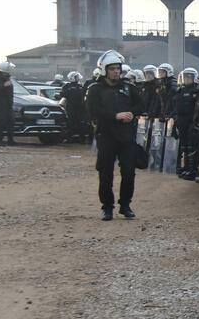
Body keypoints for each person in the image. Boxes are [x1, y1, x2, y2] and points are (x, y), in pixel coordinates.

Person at [85, 50, 144, 220]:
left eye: (118, 68)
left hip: (126, 137)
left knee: (128, 172)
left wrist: (131, 113)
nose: (116, 71)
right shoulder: (95, 89)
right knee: (105, 174)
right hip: (106, 136)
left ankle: (125, 205)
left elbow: (141, 105)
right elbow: (92, 110)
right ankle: (107, 208)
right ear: (104, 70)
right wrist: (114, 116)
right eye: (112, 69)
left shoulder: (129, 87)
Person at [173, 68, 199, 179]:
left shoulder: (197, 91)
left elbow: (198, 109)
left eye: (189, 77)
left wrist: (195, 122)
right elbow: (176, 107)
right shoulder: (180, 90)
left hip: (191, 121)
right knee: (184, 146)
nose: (187, 79)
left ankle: (193, 170)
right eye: (185, 77)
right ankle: (186, 167)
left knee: (191, 146)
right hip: (181, 120)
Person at [0, 61, 16, 145]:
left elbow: (10, 92)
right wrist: (4, 85)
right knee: (1, 121)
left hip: (7, 102)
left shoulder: (7, 78)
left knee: (10, 120)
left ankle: (10, 140)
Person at [60, 71, 88, 143]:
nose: (78, 79)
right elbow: (62, 94)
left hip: (80, 108)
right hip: (71, 108)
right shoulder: (67, 86)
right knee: (70, 123)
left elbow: (85, 94)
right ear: (72, 78)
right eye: (76, 77)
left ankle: (82, 139)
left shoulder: (80, 86)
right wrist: (69, 90)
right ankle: (67, 138)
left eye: (78, 77)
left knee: (81, 123)